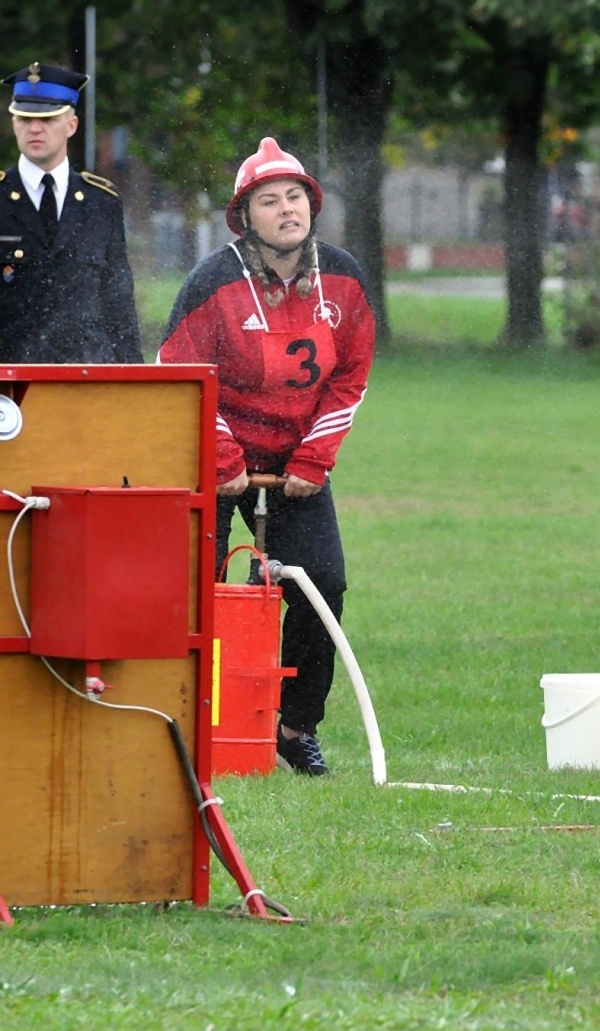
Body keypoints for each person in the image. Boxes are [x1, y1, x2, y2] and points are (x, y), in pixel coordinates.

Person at [158, 136, 375, 776]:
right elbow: (180, 372)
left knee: (322, 585)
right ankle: (188, 724)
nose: (287, 210)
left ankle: (293, 725)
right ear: (244, 216)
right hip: (212, 460)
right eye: (270, 200)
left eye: (296, 198)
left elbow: (352, 374)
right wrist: (221, 458)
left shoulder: (345, 277)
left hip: (299, 468)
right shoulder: (211, 281)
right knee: (195, 591)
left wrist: (314, 461)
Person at [0, 62, 140, 364]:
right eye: (24, 118)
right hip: (10, 385)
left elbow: (118, 305)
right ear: (13, 124)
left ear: (71, 125)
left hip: (88, 377)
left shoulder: (102, 202)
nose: (35, 128)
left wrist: (133, 382)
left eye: (48, 118)